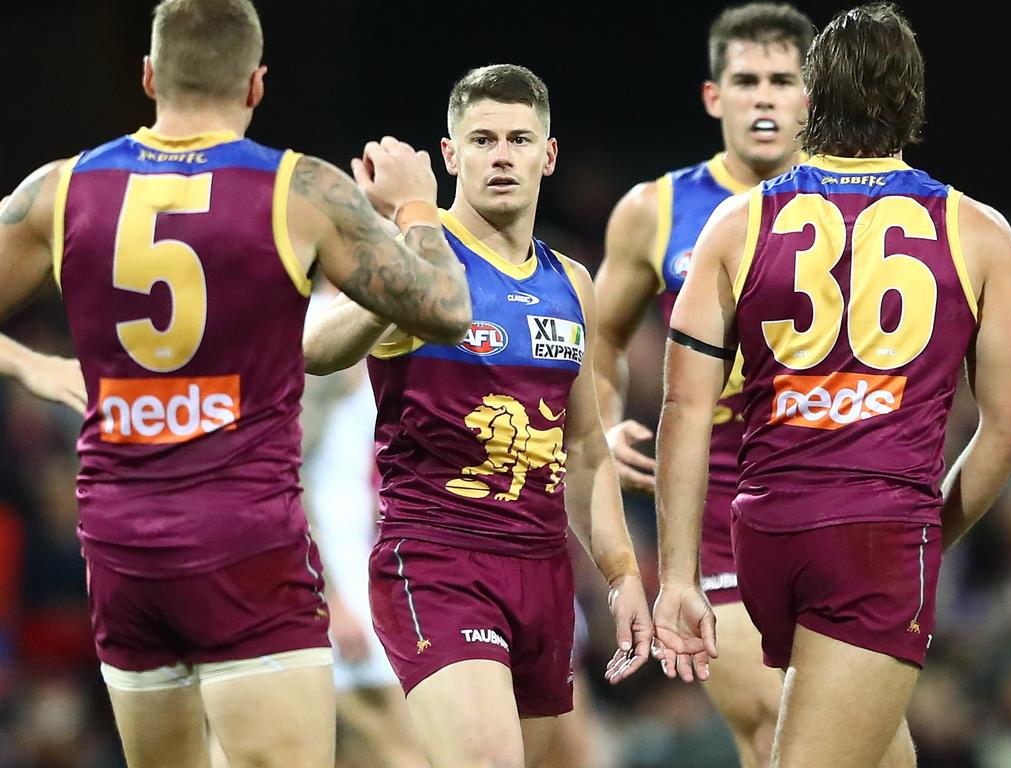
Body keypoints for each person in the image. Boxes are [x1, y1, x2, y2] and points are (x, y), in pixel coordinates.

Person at [0, 0, 472, 766]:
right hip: (246, 543)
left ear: (150, 76)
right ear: (256, 85)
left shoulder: (60, 190)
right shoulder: (299, 190)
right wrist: (418, 204)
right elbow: (447, 310)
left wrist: (28, 364)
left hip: (122, 552)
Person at [652, 5, 1011, 768]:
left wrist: (678, 575)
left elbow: (685, 409)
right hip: (878, 539)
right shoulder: (978, 230)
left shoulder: (734, 221)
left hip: (764, 534)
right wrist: (930, 532)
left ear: (812, 98)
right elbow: (1010, 429)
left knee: (884, 751)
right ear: (913, 100)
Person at [304, 64, 652, 768]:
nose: (502, 155)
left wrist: (621, 575)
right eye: (483, 139)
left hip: (540, 568)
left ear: (547, 156)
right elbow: (314, 350)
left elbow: (584, 448)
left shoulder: (570, 284)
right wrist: (405, 262)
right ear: (450, 155)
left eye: (520, 139)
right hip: (435, 559)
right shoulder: (419, 261)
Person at [594, 4, 812, 765]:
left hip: (834, 496)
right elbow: (602, 338)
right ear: (713, 96)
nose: (764, 98)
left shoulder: (856, 204)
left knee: (852, 739)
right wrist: (607, 416)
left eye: (782, 80)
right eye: (745, 80)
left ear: (810, 96)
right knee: (777, 727)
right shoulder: (654, 211)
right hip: (717, 506)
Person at [302, 286, 427, 768]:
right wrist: (326, 592)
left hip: (376, 565)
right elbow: (284, 470)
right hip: (335, 570)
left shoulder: (382, 326)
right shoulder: (318, 331)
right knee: (400, 745)